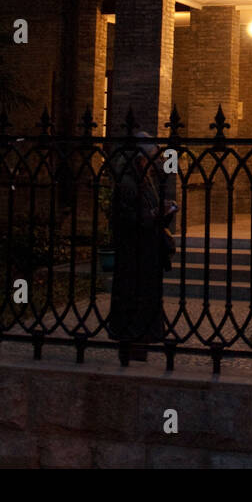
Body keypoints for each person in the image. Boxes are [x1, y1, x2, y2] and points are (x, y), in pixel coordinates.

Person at [105, 133, 176, 345]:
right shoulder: (127, 183)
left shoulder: (145, 181)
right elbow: (125, 218)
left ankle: (144, 334)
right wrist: (153, 215)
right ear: (139, 160)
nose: (153, 165)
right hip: (135, 253)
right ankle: (132, 338)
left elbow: (148, 211)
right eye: (150, 159)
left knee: (145, 296)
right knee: (133, 296)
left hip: (147, 251)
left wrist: (163, 211)